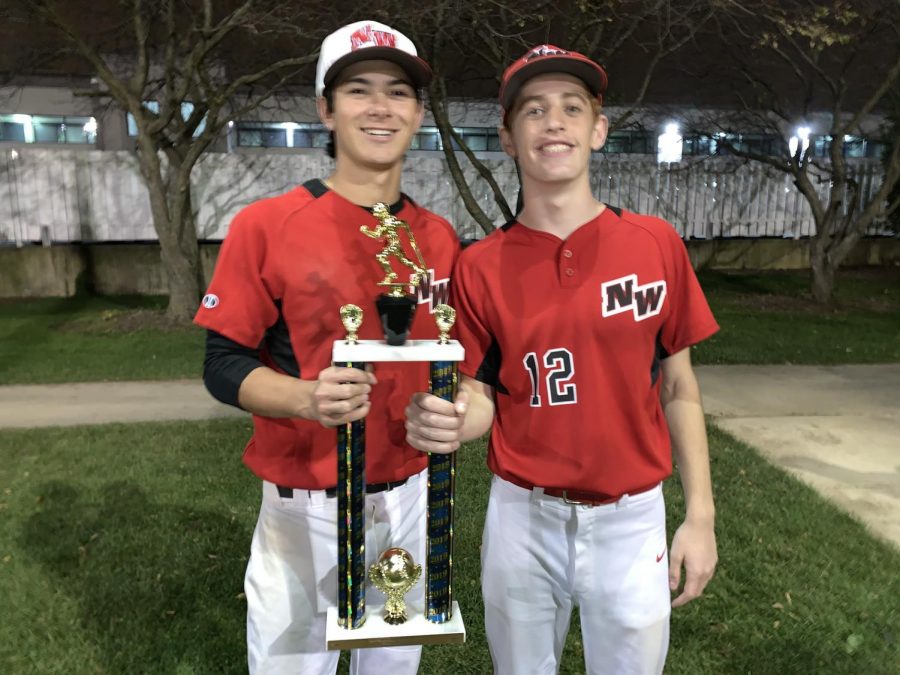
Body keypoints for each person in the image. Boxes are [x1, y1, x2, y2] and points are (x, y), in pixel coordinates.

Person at [405, 44, 719, 674]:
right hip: (523, 514)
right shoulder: (480, 266)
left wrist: (701, 517)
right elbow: (482, 393)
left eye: (572, 108)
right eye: (534, 110)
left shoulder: (654, 244)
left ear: (598, 130)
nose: (554, 122)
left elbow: (679, 388)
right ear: (508, 136)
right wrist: (450, 420)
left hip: (632, 517)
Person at [194, 20, 460, 674]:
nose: (380, 107)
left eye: (398, 92)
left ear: (418, 112)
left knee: (392, 664)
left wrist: (459, 414)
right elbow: (223, 364)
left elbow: (466, 364)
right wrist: (305, 397)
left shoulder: (438, 236)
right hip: (304, 505)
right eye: (358, 89)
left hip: (408, 501)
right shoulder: (266, 224)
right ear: (325, 108)